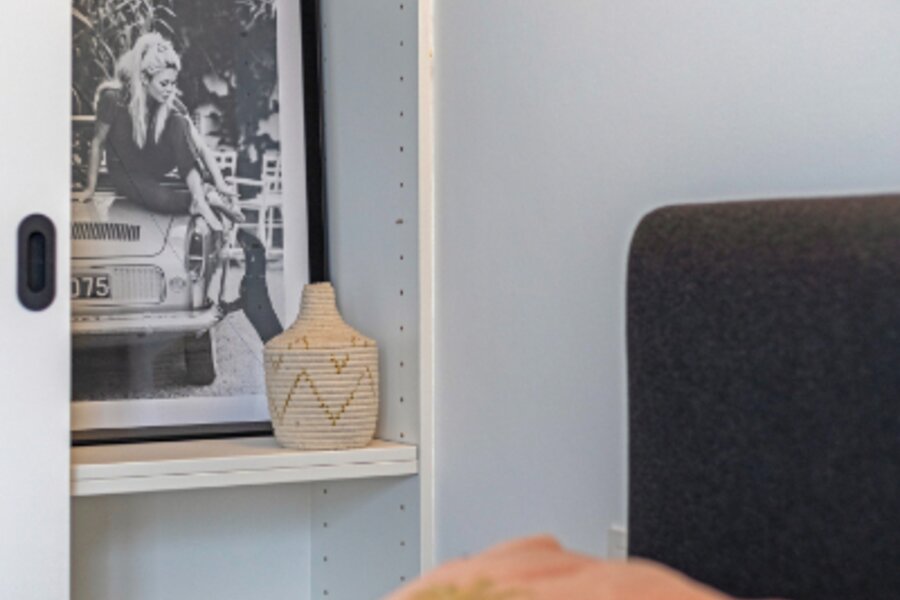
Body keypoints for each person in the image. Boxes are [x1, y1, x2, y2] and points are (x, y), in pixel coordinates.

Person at [73, 32, 242, 231]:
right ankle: (205, 197)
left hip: (153, 164)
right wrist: (89, 188)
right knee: (161, 199)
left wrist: (221, 182)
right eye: (164, 83)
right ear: (145, 78)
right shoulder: (113, 99)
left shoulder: (171, 104)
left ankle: (201, 197)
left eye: (173, 83)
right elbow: (98, 141)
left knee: (179, 122)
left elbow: (201, 147)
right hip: (127, 172)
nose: (170, 89)